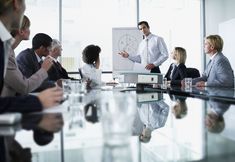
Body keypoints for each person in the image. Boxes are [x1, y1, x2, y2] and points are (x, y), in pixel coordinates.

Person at [0, 0, 63, 113]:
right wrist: (38, 101)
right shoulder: (21, 54)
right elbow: (23, 87)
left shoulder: (7, 46)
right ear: (16, 3)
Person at [1, 15, 53, 97]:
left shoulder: (10, 51)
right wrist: (43, 70)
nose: (29, 30)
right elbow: (24, 87)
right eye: (28, 27)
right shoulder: (6, 53)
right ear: (21, 31)